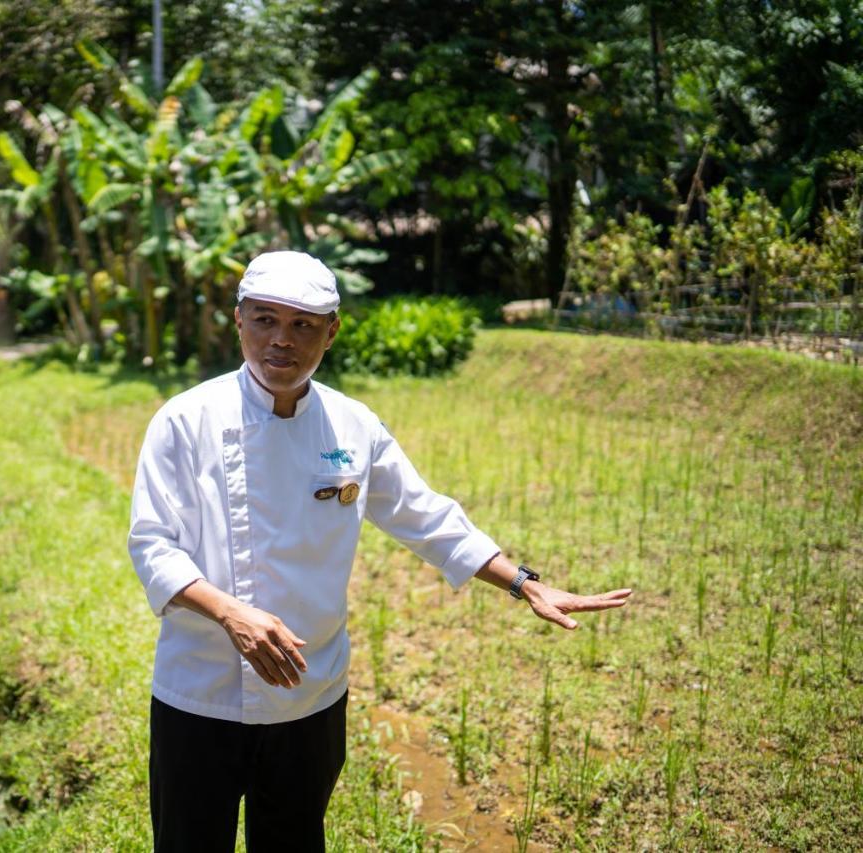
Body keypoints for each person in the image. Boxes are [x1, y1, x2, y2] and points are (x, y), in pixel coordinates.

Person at [128, 251, 632, 852]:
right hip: (199, 697)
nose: (280, 342)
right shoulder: (184, 421)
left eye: (302, 325)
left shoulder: (352, 426)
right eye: (264, 320)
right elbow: (154, 545)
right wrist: (232, 614)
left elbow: (426, 515)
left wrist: (525, 582)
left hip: (307, 696)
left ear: (332, 330)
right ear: (238, 321)